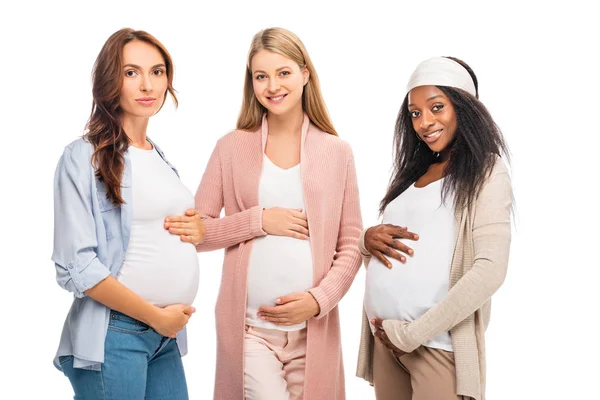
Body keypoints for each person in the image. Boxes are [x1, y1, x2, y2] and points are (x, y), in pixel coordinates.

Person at [190, 27, 362, 400]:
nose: (272, 85)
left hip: (313, 332)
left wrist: (318, 300)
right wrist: (258, 220)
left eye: (283, 72)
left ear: (305, 74)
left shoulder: (337, 151)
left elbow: (350, 245)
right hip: (250, 329)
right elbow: (198, 231)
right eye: (260, 76)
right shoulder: (231, 147)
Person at [52, 28, 205, 400]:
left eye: (157, 71)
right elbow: (77, 265)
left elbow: (155, 231)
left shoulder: (159, 156)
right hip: (115, 335)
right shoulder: (83, 157)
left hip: (164, 337)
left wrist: (199, 231)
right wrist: (155, 316)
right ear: (110, 80)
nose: (147, 84)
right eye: (131, 72)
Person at [356, 56, 513, 400]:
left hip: (436, 345)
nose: (424, 122)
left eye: (436, 107)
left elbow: (490, 270)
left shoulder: (487, 171)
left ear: (464, 108)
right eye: (415, 113)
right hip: (386, 341)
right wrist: (366, 240)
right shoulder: (412, 174)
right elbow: (387, 244)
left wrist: (413, 334)